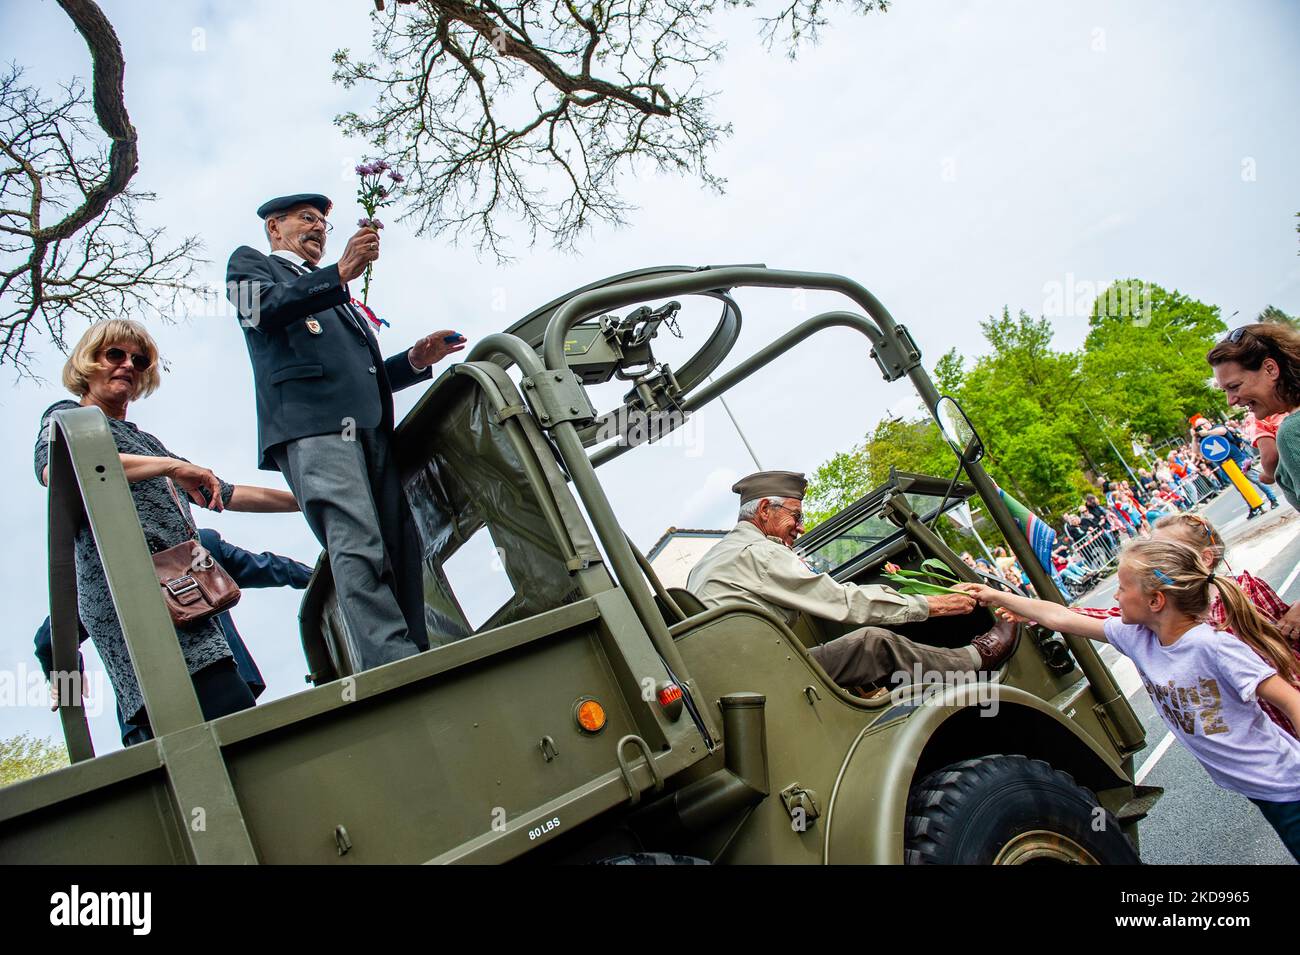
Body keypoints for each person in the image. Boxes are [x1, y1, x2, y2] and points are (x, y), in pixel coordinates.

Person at [225, 193, 467, 669]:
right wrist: (337, 273)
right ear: (275, 227)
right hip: (313, 430)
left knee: (400, 545)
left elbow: (360, 375)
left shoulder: (332, 294)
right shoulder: (254, 265)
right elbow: (260, 310)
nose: (318, 228)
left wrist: (416, 360)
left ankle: (415, 652)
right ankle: (392, 661)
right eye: (307, 219)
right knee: (355, 541)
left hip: (373, 432)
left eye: (323, 223)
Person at [35, 320, 301, 738]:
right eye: (115, 355)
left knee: (232, 720)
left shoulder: (146, 443)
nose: (128, 365)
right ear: (88, 363)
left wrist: (308, 501)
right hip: (135, 604)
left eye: (138, 360)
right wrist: (172, 468)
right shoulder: (67, 417)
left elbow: (224, 493)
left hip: (184, 600)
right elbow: (60, 469)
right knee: (191, 723)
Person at [959, 537, 1300, 860]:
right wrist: (995, 595)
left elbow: (1289, 700)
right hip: (1264, 788)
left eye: (1122, 588)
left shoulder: (1213, 647)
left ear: (1155, 601)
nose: (1116, 597)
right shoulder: (1137, 637)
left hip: (1288, 784)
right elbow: (1061, 617)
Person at [686, 471, 1015, 691]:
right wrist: (932, 604)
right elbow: (843, 601)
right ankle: (973, 661)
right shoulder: (761, 553)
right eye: (795, 516)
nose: (800, 527)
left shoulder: (714, 559)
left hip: (740, 680)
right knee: (872, 643)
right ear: (764, 512)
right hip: (764, 678)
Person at [35, 528, 312, 745]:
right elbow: (272, 568)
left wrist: (67, 683)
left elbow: (51, 638)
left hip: (145, 716)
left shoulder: (101, 571)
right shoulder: (197, 543)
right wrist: (323, 575)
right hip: (222, 688)